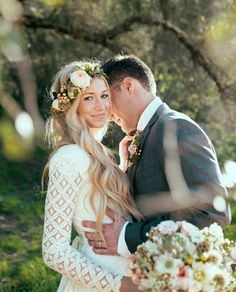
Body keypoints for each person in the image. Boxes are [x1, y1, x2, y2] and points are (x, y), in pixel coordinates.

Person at [83, 54, 231, 259]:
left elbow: (210, 214)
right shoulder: (147, 133)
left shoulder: (176, 127)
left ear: (128, 86)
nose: (106, 112)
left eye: (107, 96)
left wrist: (126, 237)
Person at [42, 60, 142, 291]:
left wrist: (124, 164)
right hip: (99, 281)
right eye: (88, 98)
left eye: (104, 95)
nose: (101, 106)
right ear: (72, 105)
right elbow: (54, 251)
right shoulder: (69, 158)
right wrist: (119, 285)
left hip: (126, 271)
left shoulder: (97, 154)